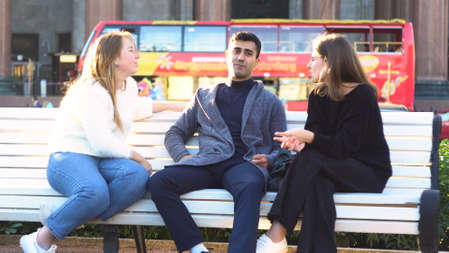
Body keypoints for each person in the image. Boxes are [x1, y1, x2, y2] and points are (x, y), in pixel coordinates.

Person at [19, 31, 185, 253]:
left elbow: (139, 108)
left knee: (137, 176)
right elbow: (101, 142)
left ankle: (69, 215)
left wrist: (180, 106)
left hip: (102, 161)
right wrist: (139, 157)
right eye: (131, 50)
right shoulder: (90, 90)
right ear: (114, 57)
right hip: (69, 157)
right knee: (95, 192)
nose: (137, 55)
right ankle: (40, 239)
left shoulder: (128, 86)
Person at [148, 32, 287, 253]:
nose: (241, 57)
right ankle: (196, 248)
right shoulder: (203, 97)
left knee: (251, 186)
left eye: (248, 53)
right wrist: (183, 157)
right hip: (207, 164)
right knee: (158, 182)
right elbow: (174, 133)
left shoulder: (271, 102)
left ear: (257, 61)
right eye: (236, 51)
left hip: (245, 165)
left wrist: (269, 160)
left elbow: (282, 145)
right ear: (227, 55)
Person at [256, 33, 392, 253]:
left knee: (312, 164)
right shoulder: (318, 95)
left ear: (328, 61)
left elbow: (344, 146)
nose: (308, 64)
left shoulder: (363, 95)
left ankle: (277, 234)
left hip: (367, 172)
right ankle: (281, 239)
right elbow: (318, 144)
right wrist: (301, 145)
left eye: (312, 59)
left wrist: (308, 139)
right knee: (318, 184)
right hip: (327, 168)